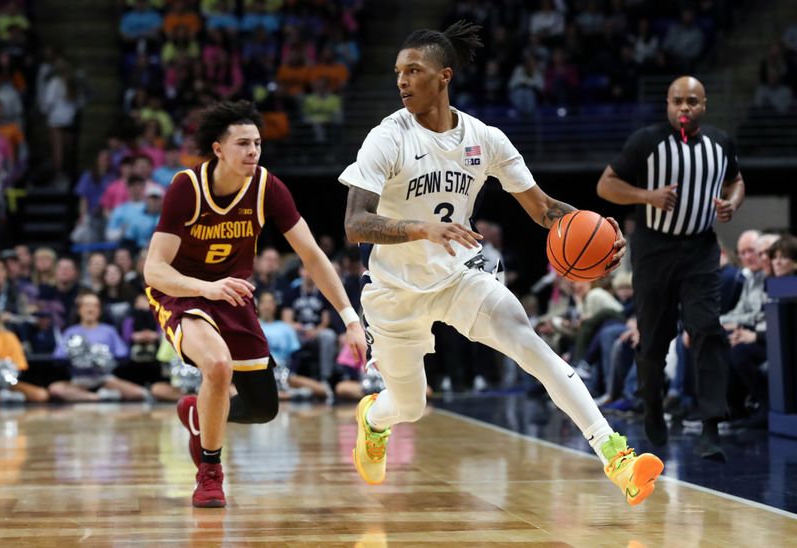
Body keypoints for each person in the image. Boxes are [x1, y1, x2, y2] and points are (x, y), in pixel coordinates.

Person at [339, 21, 662, 506]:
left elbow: (543, 210)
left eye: (414, 70)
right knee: (409, 406)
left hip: (459, 277)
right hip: (394, 293)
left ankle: (616, 456)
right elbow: (355, 223)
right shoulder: (387, 138)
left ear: (444, 75)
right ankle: (373, 420)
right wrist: (420, 228)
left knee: (531, 345)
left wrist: (597, 228)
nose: (402, 81)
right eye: (398, 72)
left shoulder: (484, 138)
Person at [143, 100, 366, 508]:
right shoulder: (186, 189)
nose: (253, 152)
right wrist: (204, 289)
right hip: (180, 291)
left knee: (263, 408)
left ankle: (200, 413)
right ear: (218, 149)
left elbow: (312, 255)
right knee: (217, 365)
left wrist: (350, 318)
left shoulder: (267, 188)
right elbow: (153, 270)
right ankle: (210, 473)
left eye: (258, 144)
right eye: (243, 143)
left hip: (230, 293)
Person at [597, 76, 745, 461]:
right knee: (654, 338)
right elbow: (606, 185)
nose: (684, 108)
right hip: (653, 248)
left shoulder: (720, 143)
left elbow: (736, 180)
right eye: (677, 101)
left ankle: (711, 425)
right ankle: (652, 404)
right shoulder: (646, 141)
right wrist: (647, 195)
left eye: (692, 101)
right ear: (667, 103)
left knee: (707, 329)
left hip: (700, 248)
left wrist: (732, 202)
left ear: (704, 105)